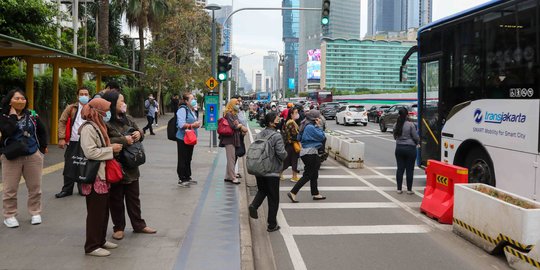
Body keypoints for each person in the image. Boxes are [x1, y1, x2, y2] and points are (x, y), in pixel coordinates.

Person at [102, 91, 157, 241]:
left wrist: (139, 134)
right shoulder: (105, 122)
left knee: (134, 198)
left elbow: (139, 132)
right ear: (112, 104)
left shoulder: (129, 118)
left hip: (132, 165)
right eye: (121, 101)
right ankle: (118, 227)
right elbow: (105, 140)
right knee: (116, 199)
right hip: (116, 165)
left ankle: (139, 225)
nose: (124, 104)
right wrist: (124, 140)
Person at [79, 98, 123, 257]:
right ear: (97, 111)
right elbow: (90, 152)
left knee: (104, 211)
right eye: (105, 110)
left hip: (102, 175)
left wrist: (109, 148)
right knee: (96, 213)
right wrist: (110, 150)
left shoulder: (98, 125)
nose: (107, 113)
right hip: (95, 176)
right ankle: (91, 246)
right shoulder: (88, 128)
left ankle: (101, 240)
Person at [0, 89, 48, 228]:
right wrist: (13, 117)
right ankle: (9, 215)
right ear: (10, 100)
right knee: (10, 188)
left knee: (35, 187)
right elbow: (7, 131)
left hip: (32, 154)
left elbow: (41, 131)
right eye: (17, 98)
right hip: (11, 156)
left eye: (23, 98)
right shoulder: (3, 115)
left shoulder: (32, 115)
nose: (20, 101)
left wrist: (41, 149)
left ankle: (35, 212)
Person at [248, 112, 287, 232]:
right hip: (272, 171)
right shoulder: (276, 136)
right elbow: (281, 154)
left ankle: (254, 205)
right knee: (273, 198)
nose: (279, 120)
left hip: (259, 169)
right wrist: (285, 155)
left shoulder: (260, 134)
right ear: (271, 122)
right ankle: (272, 224)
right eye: (277, 119)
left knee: (262, 190)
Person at [56, 87, 90, 198]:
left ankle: (83, 188)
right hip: (73, 141)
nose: (84, 96)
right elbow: (62, 121)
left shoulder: (93, 108)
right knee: (69, 165)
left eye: (86, 94)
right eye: (81, 94)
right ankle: (67, 189)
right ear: (77, 96)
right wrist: (61, 138)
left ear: (89, 96)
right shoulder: (71, 108)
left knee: (84, 164)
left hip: (87, 142)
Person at [287, 110, 326, 203]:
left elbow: (298, 138)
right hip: (310, 153)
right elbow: (322, 136)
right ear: (314, 118)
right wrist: (319, 126)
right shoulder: (310, 127)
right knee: (308, 174)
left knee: (314, 173)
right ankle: (293, 192)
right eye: (318, 116)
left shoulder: (304, 124)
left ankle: (315, 193)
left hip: (307, 152)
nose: (319, 118)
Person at [176, 92, 201, 188]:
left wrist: (196, 124)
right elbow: (181, 124)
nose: (194, 100)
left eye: (194, 98)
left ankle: (187, 176)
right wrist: (192, 125)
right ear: (186, 101)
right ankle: (181, 178)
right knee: (182, 158)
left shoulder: (192, 110)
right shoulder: (182, 110)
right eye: (191, 99)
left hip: (191, 138)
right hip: (182, 138)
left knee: (188, 158)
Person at [219, 98, 247, 184]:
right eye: (236, 103)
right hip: (229, 139)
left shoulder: (234, 114)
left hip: (234, 138)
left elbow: (236, 125)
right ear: (231, 104)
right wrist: (240, 125)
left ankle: (228, 176)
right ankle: (232, 177)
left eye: (238, 103)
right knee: (231, 158)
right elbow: (233, 126)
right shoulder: (228, 114)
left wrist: (239, 125)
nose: (238, 104)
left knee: (232, 158)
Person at [393, 107, 419, 195]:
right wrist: (417, 142)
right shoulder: (411, 125)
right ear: (407, 115)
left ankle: (399, 189)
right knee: (409, 170)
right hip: (410, 149)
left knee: (400, 169)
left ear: (399, 115)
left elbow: (395, 137)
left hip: (399, 148)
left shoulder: (396, 125)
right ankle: (409, 190)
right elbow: (415, 137)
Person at [281, 107, 301, 182]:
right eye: (295, 113)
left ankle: (294, 176)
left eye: (297, 112)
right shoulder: (291, 123)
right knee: (289, 161)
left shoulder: (291, 122)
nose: (297, 114)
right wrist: (299, 138)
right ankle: (292, 176)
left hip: (291, 144)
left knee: (292, 160)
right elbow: (294, 135)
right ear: (291, 114)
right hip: (292, 144)